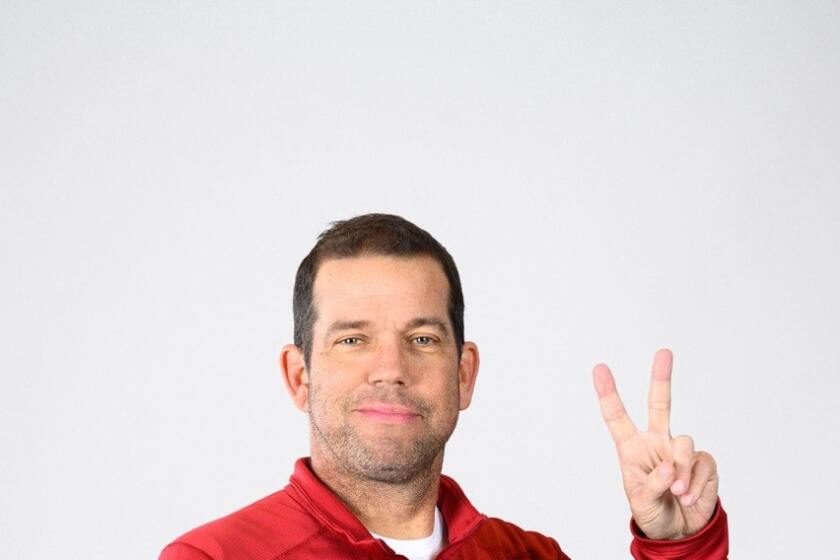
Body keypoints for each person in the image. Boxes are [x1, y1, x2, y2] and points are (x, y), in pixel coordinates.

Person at [159, 213, 729, 560]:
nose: (391, 369)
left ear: (464, 374)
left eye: (423, 339)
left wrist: (681, 547)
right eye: (353, 340)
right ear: (299, 375)